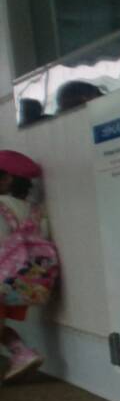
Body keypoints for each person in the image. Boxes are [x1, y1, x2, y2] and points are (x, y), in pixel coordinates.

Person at [0, 149, 49, 381]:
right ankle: (21, 353)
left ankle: (22, 353)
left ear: (6, 178)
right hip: (27, 281)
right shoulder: (34, 210)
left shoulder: (1, 206)